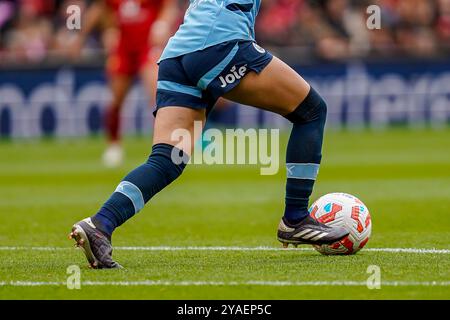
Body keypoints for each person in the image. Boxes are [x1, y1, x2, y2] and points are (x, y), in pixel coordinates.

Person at [69, 0, 349, 269]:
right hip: (220, 42)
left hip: (177, 54)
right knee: (311, 111)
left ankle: (100, 224)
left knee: (167, 160)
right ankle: (296, 218)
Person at [69, 0, 178, 167]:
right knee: (115, 100)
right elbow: (99, 10)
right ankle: (113, 145)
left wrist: (162, 23)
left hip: (147, 46)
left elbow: (169, 6)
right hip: (123, 49)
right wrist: (102, 31)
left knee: (158, 95)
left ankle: (162, 147)